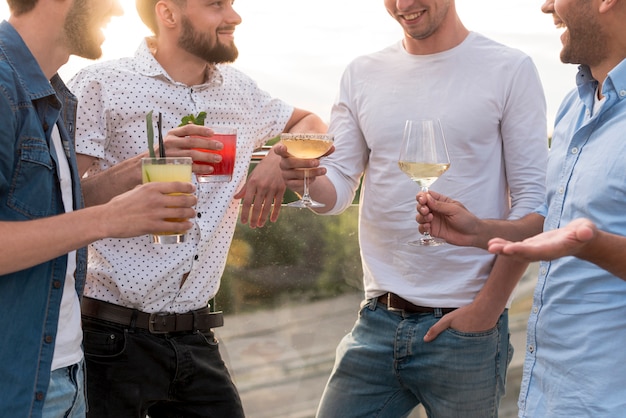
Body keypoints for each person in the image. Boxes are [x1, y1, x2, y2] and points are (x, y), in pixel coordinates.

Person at [275, 0, 548, 416]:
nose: (403, 5)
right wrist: (306, 179)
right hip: (376, 322)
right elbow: (340, 187)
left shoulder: (509, 69)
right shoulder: (361, 73)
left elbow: (534, 208)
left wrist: (486, 309)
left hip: (468, 330)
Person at [66, 0, 327, 416]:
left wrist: (280, 155)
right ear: (168, 13)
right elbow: (66, 203)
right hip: (108, 341)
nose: (234, 17)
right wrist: (149, 165)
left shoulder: (239, 92)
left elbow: (311, 120)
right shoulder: (100, 83)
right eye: (215, 5)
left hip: (197, 339)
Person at [416, 0, 626, 416]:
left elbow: (577, 240)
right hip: (550, 393)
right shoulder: (574, 106)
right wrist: (479, 232)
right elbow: (557, 226)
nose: (547, 6)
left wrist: (591, 245)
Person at [0, 1, 198, 417]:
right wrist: (110, 219)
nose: (117, 10)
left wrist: (132, 172)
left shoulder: (51, 90)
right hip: (17, 383)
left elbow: (45, 212)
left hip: (66, 370)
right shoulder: (3, 86)